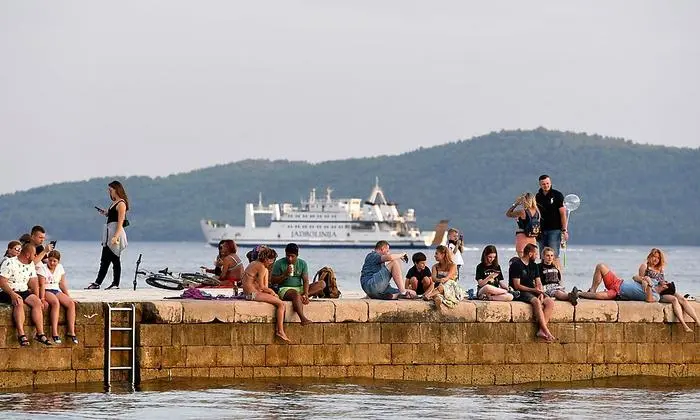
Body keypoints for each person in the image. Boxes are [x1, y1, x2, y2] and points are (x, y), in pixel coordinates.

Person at [0, 243, 51, 346]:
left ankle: (40, 333)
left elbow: (33, 282)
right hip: (7, 291)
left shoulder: (31, 264)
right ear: (28, 254)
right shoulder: (9, 262)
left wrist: (38, 297)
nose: (36, 257)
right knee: (19, 302)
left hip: (23, 290)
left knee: (37, 303)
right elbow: (2, 282)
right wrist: (12, 294)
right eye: (34, 254)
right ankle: (21, 334)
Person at [636, 248, 699, 332]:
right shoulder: (644, 266)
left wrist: (664, 283)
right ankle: (684, 325)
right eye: (654, 257)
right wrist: (647, 282)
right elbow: (641, 280)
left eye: (658, 258)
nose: (656, 259)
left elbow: (661, 279)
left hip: (664, 288)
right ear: (650, 256)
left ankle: (697, 321)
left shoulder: (660, 268)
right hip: (656, 292)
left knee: (683, 299)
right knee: (674, 299)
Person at [241, 246, 290, 343]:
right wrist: (272, 292)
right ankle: (280, 330)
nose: (272, 263)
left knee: (275, 298)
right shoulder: (261, 267)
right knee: (281, 304)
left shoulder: (254, 263)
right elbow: (262, 287)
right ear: (267, 259)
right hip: (252, 294)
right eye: (271, 260)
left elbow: (262, 286)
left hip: (248, 293)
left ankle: (280, 330)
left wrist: (270, 293)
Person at [87, 180, 129, 290]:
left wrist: (115, 237)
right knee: (108, 259)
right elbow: (113, 217)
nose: (109, 192)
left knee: (112, 259)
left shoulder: (121, 204)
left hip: (115, 233)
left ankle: (110, 283)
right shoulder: (114, 203)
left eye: (110, 190)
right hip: (109, 232)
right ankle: (103, 283)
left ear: (116, 190)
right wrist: (106, 213)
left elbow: (120, 222)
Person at [509, 243, 556, 342]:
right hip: (520, 292)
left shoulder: (534, 265)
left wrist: (540, 293)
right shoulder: (516, 265)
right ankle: (546, 330)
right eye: (536, 254)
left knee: (550, 302)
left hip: (533, 290)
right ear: (530, 254)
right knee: (536, 302)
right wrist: (534, 291)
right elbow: (517, 285)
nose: (537, 256)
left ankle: (541, 330)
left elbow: (538, 282)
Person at [270, 243, 326, 325]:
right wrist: (285, 275)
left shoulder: (302, 263)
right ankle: (303, 318)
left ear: (297, 255)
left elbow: (306, 280)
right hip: (285, 289)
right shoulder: (279, 263)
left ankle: (302, 297)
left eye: (292, 256)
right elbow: (273, 280)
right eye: (288, 256)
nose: (289, 259)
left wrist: (306, 293)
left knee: (322, 284)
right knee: (295, 294)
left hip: (299, 288)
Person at [37, 250, 78, 344]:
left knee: (71, 304)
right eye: (50, 260)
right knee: (55, 302)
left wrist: (68, 296)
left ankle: (71, 331)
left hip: (56, 289)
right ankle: (54, 333)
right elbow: (42, 285)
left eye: (54, 261)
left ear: (58, 261)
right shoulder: (42, 268)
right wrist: (42, 298)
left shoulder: (60, 268)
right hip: (46, 289)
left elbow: (62, 283)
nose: (52, 263)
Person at [577, 263, 661, 302]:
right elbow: (634, 277)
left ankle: (579, 294)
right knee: (601, 266)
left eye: (666, 283)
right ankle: (592, 289)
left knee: (599, 296)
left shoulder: (656, 296)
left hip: (617, 293)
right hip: (617, 282)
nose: (664, 282)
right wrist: (643, 280)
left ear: (665, 287)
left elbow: (649, 300)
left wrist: (649, 285)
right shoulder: (655, 282)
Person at [535, 175, 568, 257]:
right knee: (543, 256)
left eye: (547, 183)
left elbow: (563, 213)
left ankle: (557, 270)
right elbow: (536, 214)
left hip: (555, 230)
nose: (546, 185)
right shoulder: (537, 196)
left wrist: (564, 230)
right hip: (541, 231)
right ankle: (543, 270)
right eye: (543, 184)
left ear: (550, 183)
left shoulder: (557, 195)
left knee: (554, 255)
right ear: (540, 185)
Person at [506, 192, 541, 257]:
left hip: (522, 236)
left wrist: (515, 204)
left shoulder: (522, 212)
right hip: (533, 237)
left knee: (522, 259)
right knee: (531, 261)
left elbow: (508, 214)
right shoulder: (537, 212)